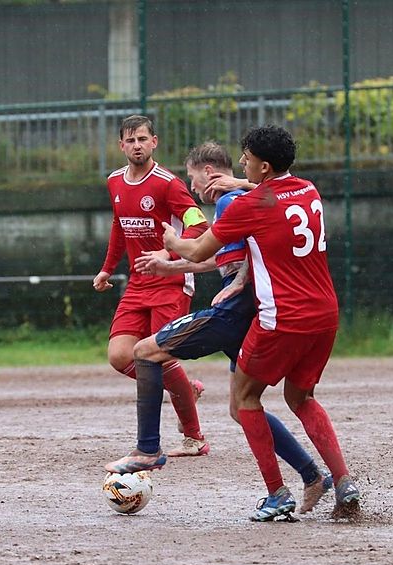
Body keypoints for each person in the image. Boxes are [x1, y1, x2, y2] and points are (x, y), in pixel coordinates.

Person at [105, 141, 335, 516]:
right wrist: (172, 266)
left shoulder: (230, 201)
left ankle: (148, 448)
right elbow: (229, 255)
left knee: (144, 352)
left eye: (192, 178)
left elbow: (213, 252)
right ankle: (312, 476)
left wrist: (173, 247)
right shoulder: (251, 197)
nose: (192, 186)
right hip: (258, 314)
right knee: (241, 407)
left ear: (208, 173)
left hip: (236, 314)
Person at [162, 125, 361, 521]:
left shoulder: (249, 206)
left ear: (264, 166)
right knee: (301, 398)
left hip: (281, 318)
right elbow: (274, 193)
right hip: (325, 315)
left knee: (244, 401)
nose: (241, 162)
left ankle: (277, 494)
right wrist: (241, 183)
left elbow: (198, 250)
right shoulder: (309, 191)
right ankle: (343, 481)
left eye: (247, 158)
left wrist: (172, 242)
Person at [93, 115, 211, 456]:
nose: (137, 145)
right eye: (130, 140)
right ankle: (184, 388)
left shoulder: (168, 184)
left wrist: (168, 250)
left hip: (171, 280)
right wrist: (107, 269)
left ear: (154, 142)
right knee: (119, 356)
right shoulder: (114, 181)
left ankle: (194, 438)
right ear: (121, 146)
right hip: (138, 283)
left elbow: (199, 225)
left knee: (158, 356)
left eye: (142, 139)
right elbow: (119, 227)